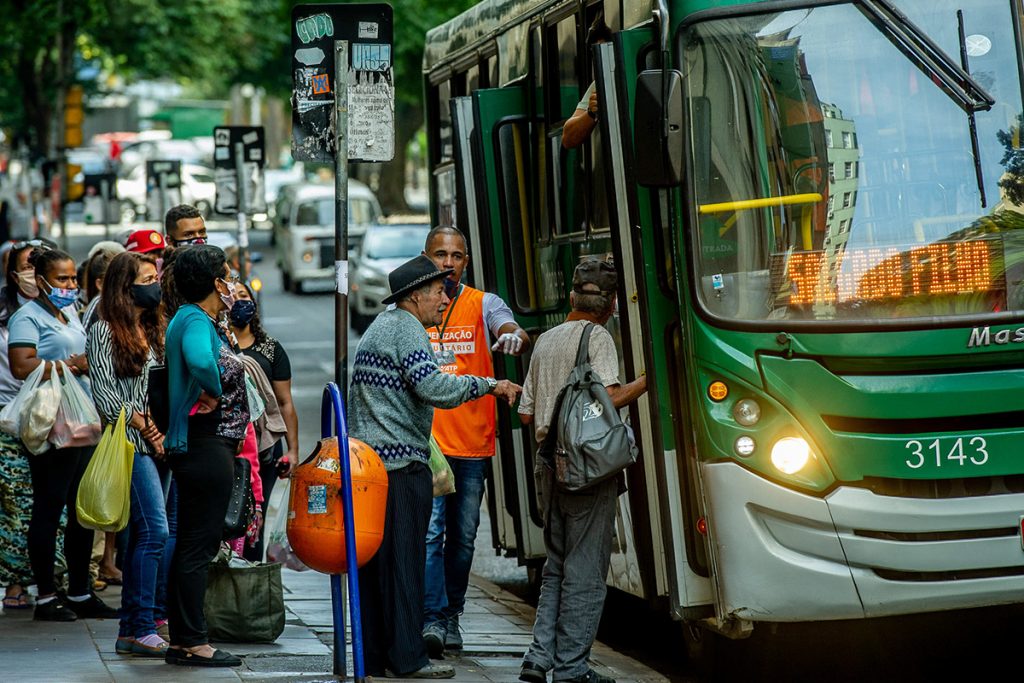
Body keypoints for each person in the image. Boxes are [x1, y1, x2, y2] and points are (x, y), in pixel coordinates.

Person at [351, 255, 521, 679]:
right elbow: (433, 387)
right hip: (399, 467)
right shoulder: (406, 329)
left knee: (382, 567)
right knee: (405, 563)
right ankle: (409, 659)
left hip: (376, 466)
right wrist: (489, 384)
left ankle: (379, 656)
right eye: (438, 291)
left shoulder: (385, 326)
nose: (445, 299)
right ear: (415, 296)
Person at [517, 259, 647, 683]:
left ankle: (538, 659)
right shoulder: (599, 338)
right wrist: (649, 380)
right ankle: (572, 668)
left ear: (571, 297)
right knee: (586, 572)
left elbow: (526, 414)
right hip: (587, 472)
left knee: (556, 565)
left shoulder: (546, 340)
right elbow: (610, 397)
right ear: (610, 306)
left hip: (546, 467)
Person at [420, 226, 530, 656]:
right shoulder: (415, 305)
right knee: (430, 535)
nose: (448, 263)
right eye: (440, 255)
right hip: (428, 446)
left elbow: (509, 326)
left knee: (463, 538)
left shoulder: (483, 304)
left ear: (466, 261)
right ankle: (431, 618)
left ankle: (451, 617)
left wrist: (514, 336)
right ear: (426, 257)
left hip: (471, 446)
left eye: (457, 256)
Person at [8, 248, 117, 622]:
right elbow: (21, 365)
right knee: (50, 506)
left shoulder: (69, 312)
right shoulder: (27, 318)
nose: (70, 286)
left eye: (73, 279)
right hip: (51, 423)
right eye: (62, 280)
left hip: (83, 421)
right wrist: (70, 364)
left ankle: (80, 591)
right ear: (40, 281)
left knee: (81, 509)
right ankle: (45, 596)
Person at [162, 245, 247, 667]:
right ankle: (193, 640)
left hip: (201, 445)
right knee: (198, 545)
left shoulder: (190, 317)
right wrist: (213, 388)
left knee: (192, 544)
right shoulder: (194, 319)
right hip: (205, 444)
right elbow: (199, 359)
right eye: (228, 276)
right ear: (215, 283)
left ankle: (183, 638)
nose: (232, 283)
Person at [86, 251, 170, 657]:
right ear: (125, 286)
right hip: (129, 444)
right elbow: (104, 394)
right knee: (155, 530)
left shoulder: (153, 325)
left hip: (159, 444)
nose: (154, 284)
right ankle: (137, 626)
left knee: (146, 532)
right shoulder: (104, 329)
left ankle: (142, 621)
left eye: (156, 276)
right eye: (146, 278)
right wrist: (145, 426)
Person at [0, 240, 64, 611]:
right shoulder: (10, 315)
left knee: (54, 502)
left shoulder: (63, 311)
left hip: (56, 417)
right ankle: (16, 581)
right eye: (29, 264)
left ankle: (54, 577)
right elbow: (21, 366)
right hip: (10, 418)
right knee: (17, 503)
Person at [227, 282, 299, 561]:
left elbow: (285, 403)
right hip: (228, 442)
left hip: (264, 447)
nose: (239, 301)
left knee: (254, 513)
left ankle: (250, 575)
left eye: (244, 296)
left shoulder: (270, 349)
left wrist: (292, 451)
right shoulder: (219, 343)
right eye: (233, 297)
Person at [561, 15, 613, 151]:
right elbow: (568, 138)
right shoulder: (599, 84)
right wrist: (590, 113)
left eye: (607, 51)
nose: (603, 62)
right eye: (597, 55)